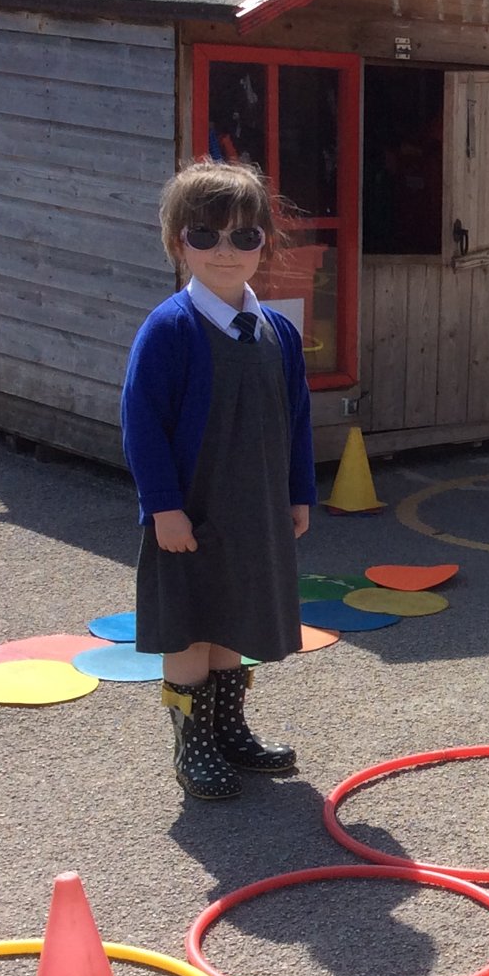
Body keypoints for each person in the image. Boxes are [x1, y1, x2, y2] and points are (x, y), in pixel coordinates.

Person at [120, 160, 314, 802]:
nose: (225, 251)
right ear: (179, 244)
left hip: (251, 507)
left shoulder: (276, 332)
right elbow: (141, 423)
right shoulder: (170, 329)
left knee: (233, 616)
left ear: (264, 242)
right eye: (205, 236)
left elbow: (297, 418)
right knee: (191, 624)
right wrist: (163, 508)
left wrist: (297, 492)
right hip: (192, 511)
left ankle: (229, 730)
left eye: (243, 236)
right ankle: (192, 744)